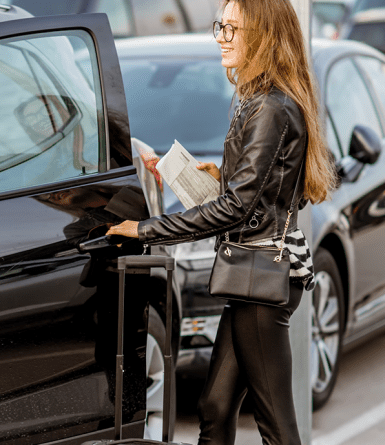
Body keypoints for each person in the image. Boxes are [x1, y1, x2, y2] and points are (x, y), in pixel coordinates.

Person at [105, 0, 338, 442]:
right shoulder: (265, 100)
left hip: (260, 278)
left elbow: (237, 209)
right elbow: (269, 190)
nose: (221, 38)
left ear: (264, 35)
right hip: (250, 274)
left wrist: (145, 229)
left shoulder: (270, 107)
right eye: (221, 26)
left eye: (233, 29)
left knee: (276, 425)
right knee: (214, 407)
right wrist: (218, 176)